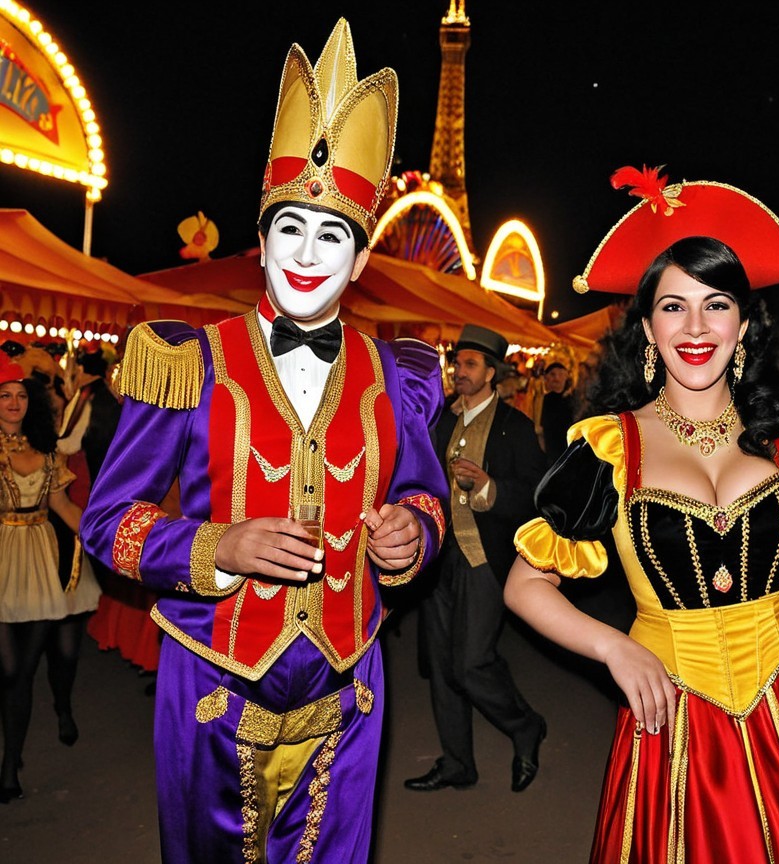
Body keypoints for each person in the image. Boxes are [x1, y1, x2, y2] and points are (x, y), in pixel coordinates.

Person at [79, 20, 447, 863]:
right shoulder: (188, 362)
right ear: (263, 239)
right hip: (212, 684)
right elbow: (108, 522)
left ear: (360, 262)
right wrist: (217, 545)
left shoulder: (400, 376)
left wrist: (410, 534)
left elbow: (422, 496)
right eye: (291, 229)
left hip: (350, 689)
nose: (309, 254)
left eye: (333, 237)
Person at [504, 165, 779, 862]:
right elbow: (524, 586)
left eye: (716, 304)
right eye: (673, 307)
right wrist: (615, 647)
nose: (695, 327)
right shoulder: (610, 445)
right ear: (645, 326)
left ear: (746, 324)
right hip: (676, 718)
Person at [405, 324, 548, 793]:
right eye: (457, 363)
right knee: (442, 668)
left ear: (491, 372)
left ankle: (524, 724)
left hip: (485, 559)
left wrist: (488, 486)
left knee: (471, 663)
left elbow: (536, 496)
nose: (459, 372)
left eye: (470, 364)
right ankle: (457, 762)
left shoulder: (516, 427)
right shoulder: (440, 420)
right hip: (438, 559)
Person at [0, 356, 101, 802]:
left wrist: (110, 541)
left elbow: (64, 509)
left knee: (22, 672)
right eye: (5, 396)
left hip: (40, 558)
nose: (14, 403)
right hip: (1, 558)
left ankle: (8, 767)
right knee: (6, 670)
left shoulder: (47, 453)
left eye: (21, 396)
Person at [537, 360, 575, 465]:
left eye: (561, 374)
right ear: (546, 378)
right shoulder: (543, 400)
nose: (556, 378)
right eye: (552, 374)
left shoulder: (572, 400)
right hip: (550, 453)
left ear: (566, 376)